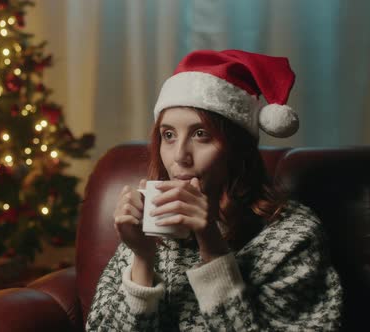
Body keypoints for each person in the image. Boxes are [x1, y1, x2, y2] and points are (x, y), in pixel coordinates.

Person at [85, 50, 343, 331]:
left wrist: (212, 247)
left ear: (238, 151)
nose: (179, 156)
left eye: (201, 134)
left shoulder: (292, 235)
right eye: (168, 135)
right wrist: (143, 258)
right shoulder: (150, 221)